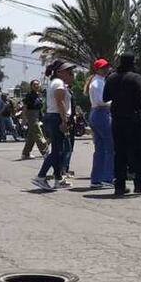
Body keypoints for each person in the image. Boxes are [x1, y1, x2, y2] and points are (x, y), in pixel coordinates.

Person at [103, 54, 141, 196]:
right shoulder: (136, 78)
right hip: (134, 119)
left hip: (117, 120)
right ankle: (140, 184)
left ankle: (119, 185)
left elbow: (105, 97)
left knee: (120, 153)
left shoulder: (111, 77)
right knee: (140, 152)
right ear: (132, 63)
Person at [32, 60, 76, 191]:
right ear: (59, 72)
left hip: (54, 116)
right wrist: (64, 121)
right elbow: (60, 103)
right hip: (56, 117)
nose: (71, 74)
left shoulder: (57, 83)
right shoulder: (58, 83)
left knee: (58, 149)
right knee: (57, 150)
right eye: (68, 71)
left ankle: (58, 179)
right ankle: (40, 176)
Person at [85, 59, 114, 189]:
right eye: (103, 68)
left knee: (101, 149)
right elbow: (101, 101)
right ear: (97, 69)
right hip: (102, 113)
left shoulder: (99, 81)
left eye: (107, 67)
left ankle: (96, 179)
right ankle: (108, 177)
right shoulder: (97, 83)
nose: (106, 69)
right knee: (110, 147)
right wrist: (114, 101)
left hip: (97, 114)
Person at [20, 81, 48, 159]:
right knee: (38, 134)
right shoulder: (29, 95)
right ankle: (45, 152)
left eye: (37, 84)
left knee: (31, 136)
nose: (36, 86)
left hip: (37, 115)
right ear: (31, 86)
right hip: (31, 115)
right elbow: (25, 107)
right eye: (34, 84)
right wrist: (24, 119)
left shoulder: (38, 95)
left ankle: (25, 153)